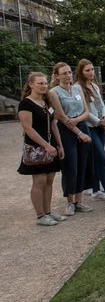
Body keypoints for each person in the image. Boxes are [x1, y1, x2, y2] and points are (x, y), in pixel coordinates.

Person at [18, 72, 64, 225]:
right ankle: (40, 215)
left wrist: (59, 145)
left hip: (51, 146)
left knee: (49, 180)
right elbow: (27, 128)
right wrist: (46, 145)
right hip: (37, 147)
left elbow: (53, 125)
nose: (44, 86)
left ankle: (48, 211)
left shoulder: (46, 102)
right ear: (31, 84)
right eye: (40, 83)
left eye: (45, 83)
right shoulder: (26, 104)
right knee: (39, 180)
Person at [47, 62, 93, 216]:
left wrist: (78, 121)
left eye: (69, 72)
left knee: (82, 165)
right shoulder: (54, 92)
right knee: (70, 166)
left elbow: (86, 111)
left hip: (81, 124)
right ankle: (69, 201)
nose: (68, 76)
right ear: (57, 75)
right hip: (67, 130)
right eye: (64, 73)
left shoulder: (78, 88)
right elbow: (60, 115)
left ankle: (79, 200)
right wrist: (77, 131)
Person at [74, 59, 105, 205]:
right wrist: (98, 121)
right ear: (81, 72)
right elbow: (83, 110)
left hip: (100, 126)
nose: (91, 72)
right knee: (102, 158)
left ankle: (95, 189)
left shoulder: (93, 86)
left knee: (95, 159)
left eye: (92, 69)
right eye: (87, 70)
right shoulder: (77, 88)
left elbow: (101, 104)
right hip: (89, 127)